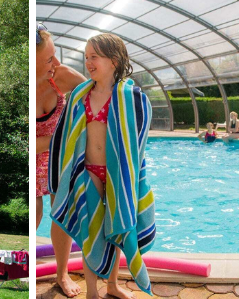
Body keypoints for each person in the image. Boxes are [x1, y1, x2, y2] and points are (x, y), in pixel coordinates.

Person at [48, 33, 156, 299]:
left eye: (94, 57)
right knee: (91, 232)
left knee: (116, 226)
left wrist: (131, 174)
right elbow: (66, 137)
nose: (89, 62)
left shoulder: (131, 97)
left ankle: (113, 285)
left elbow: (137, 141)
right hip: (89, 171)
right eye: (86, 57)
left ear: (114, 61)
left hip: (117, 174)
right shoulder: (80, 96)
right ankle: (92, 292)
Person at [35, 22, 86, 298]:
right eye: (47, 59)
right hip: (34, 157)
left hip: (57, 156)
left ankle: (62, 274)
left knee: (61, 212)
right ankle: (24, 264)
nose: (55, 62)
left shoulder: (60, 76)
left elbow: (96, 93)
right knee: (35, 212)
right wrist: (63, 136)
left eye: (55, 55)